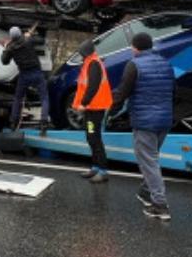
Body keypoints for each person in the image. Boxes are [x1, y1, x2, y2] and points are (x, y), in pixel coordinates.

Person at [111, 32, 174, 220]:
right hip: (164, 120)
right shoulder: (166, 63)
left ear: (135, 47)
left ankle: (160, 205)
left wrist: (112, 110)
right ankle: (146, 192)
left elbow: (123, 91)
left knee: (149, 162)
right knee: (152, 159)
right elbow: (174, 90)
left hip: (145, 121)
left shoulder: (134, 64)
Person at [73, 39, 112, 183]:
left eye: (81, 53)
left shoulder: (94, 63)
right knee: (91, 138)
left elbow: (93, 86)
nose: (81, 56)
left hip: (95, 107)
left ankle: (102, 171)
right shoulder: (90, 62)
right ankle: (95, 167)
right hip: (92, 107)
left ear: (85, 53)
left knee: (94, 138)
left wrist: (84, 103)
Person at [1, 26, 48, 132]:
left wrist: (6, 48)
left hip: (24, 75)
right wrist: (30, 35)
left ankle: (13, 122)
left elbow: (4, 61)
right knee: (44, 98)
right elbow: (42, 40)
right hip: (36, 72)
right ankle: (44, 122)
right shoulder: (28, 40)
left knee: (18, 98)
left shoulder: (11, 47)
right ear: (20, 34)